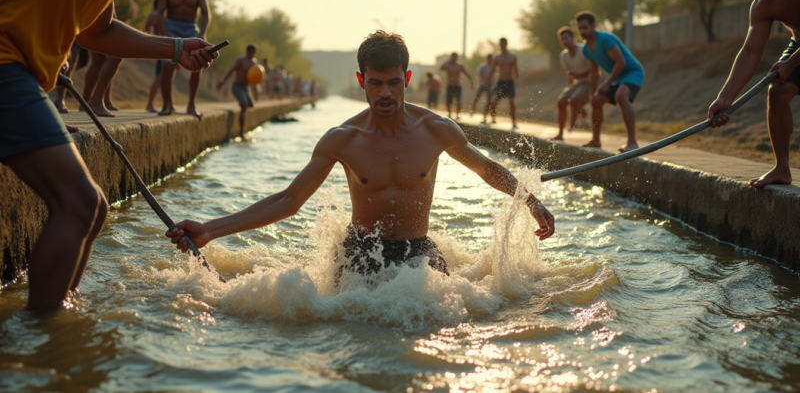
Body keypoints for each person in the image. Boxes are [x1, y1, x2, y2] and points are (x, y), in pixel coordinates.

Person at [167, 31, 555, 283]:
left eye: (392, 83)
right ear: (361, 81)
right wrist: (212, 229)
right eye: (375, 83)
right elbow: (289, 201)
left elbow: (487, 169)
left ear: (406, 79)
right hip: (360, 253)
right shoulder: (343, 139)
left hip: (418, 254)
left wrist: (532, 201)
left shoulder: (436, 129)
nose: (384, 93)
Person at [0, 0, 228, 312]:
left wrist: (177, 48)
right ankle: (40, 333)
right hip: (5, 67)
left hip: (17, 73)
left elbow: (98, 33)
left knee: (95, 207)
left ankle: (57, 317)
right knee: (79, 203)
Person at [709, 0, 800, 187]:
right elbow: (751, 52)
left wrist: (790, 63)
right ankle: (781, 169)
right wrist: (725, 98)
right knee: (778, 92)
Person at [576, 11, 645, 152]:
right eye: (580, 28)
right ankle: (596, 140)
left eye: (585, 27)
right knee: (596, 100)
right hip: (617, 78)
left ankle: (632, 142)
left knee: (621, 96)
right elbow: (595, 72)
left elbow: (621, 62)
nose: (582, 31)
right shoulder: (586, 50)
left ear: (593, 26)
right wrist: (593, 93)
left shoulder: (606, 39)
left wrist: (607, 83)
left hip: (632, 72)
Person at [156, 0, 211, 116]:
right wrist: (164, 37)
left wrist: (202, 33)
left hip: (191, 28)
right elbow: (159, 14)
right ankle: (167, 104)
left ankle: (191, 104)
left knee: (199, 61)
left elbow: (206, 14)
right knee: (167, 64)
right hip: (171, 27)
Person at [551, 27, 591, 141]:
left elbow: (594, 69)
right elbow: (569, 74)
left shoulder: (583, 50)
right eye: (562, 39)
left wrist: (578, 75)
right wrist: (569, 85)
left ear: (573, 38)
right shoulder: (564, 55)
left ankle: (584, 115)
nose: (564, 42)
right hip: (576, 84)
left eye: (566, 39)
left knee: (573, 99)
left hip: (588, 82)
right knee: (561, 101)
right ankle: (560, 134)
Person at [216, 44, 257, 139]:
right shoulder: (241, 60)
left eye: (254, 53)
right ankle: (241, 132)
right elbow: (231, 70)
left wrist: (255, 89)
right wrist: (222, 82)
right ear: (248, 52)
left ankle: (241, 107)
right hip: (237, 86)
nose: (252, 54)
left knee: (250, 105)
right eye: (251, 52)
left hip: (246, 88)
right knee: (244, 106)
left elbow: (255, 77)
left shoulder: (254, 63)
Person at [485, 38, 520, 129]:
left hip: (509, 81)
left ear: (506, 44)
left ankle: (514, 121)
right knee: (495, 99)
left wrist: (517, 79)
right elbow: (492, 70)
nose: (502, 46)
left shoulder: (512, 57)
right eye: (501, 44)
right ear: (499, 45)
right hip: (500, 82)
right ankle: (493, 116)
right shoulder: (497, 57)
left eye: (503, 44)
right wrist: (486, 81)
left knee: (511, 101)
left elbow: (516, 69)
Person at [439, 52, 474, 119]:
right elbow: (440, 68)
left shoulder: (459, 65)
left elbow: (466, 73)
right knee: (449, 101)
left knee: (458, 100)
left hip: (457, 85)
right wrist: (446, 60)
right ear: (451, 57)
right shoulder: (448, 65)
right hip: (450, 85)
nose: (454, 58)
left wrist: (471, 82)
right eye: (453, 57)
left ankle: (458, 114)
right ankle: (449, 113)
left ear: (457, 57)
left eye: (455, 57)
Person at [144, 0, 163, 113]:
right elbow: (146, 28)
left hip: (164, 47)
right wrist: (150, 46)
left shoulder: (164, 14)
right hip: (159, 47)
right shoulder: (155, 14)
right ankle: (150, 103)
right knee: (159, 77)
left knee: (164, 77)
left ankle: (168, 103)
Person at [470, 54, 496, 123]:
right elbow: (479, 76)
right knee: (477, 97)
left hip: (490, 85)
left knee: (490, 101)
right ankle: (472, 110)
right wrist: (481, 83)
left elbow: (494, 77)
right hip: (482, 84)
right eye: (489, 59)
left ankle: (492, 116)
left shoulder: (493, 67)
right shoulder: (482, 67)